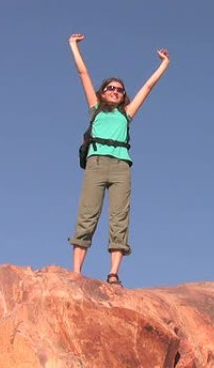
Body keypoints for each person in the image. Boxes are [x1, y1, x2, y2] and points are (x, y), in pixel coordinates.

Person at [67, 33, 170, 285]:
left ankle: (113, 274)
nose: (115, 91)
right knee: (87, 214)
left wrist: (164, 64)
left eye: (119, 90)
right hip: (97, 163)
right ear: (102, 93)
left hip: (121, 166)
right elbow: (83, 74)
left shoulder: (127, 114)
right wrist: (73, 46)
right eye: (110, 88)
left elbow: (147, 87)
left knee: (119, 217)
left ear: (124, 95)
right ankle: (76, 273)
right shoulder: (96, 109)